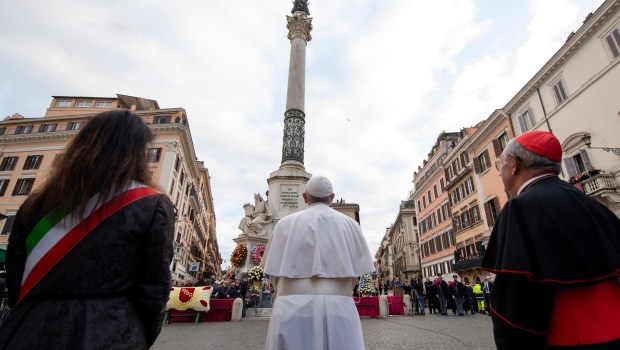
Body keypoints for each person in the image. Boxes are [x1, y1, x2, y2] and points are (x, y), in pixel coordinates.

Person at [0, 110, 174, 349]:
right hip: (111, 330)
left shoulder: (35, 205)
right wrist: (137, 334)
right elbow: (154, 288)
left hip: (31, 329)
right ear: (136, 152)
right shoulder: (151, 204)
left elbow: (15, 275)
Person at [482, 130, 620, 349]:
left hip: (567, 337)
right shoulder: (591, 204)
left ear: (514, 164)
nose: (500, 172)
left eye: (501, 164)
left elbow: (516, 302)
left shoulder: (519, 208)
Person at [261, 175, 374, 350]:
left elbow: (272, 274)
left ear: (304, 197)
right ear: (332, 197)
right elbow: (358, 273)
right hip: (340, 308)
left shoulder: (284, 224)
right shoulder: (351, 225)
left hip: (290, 308)